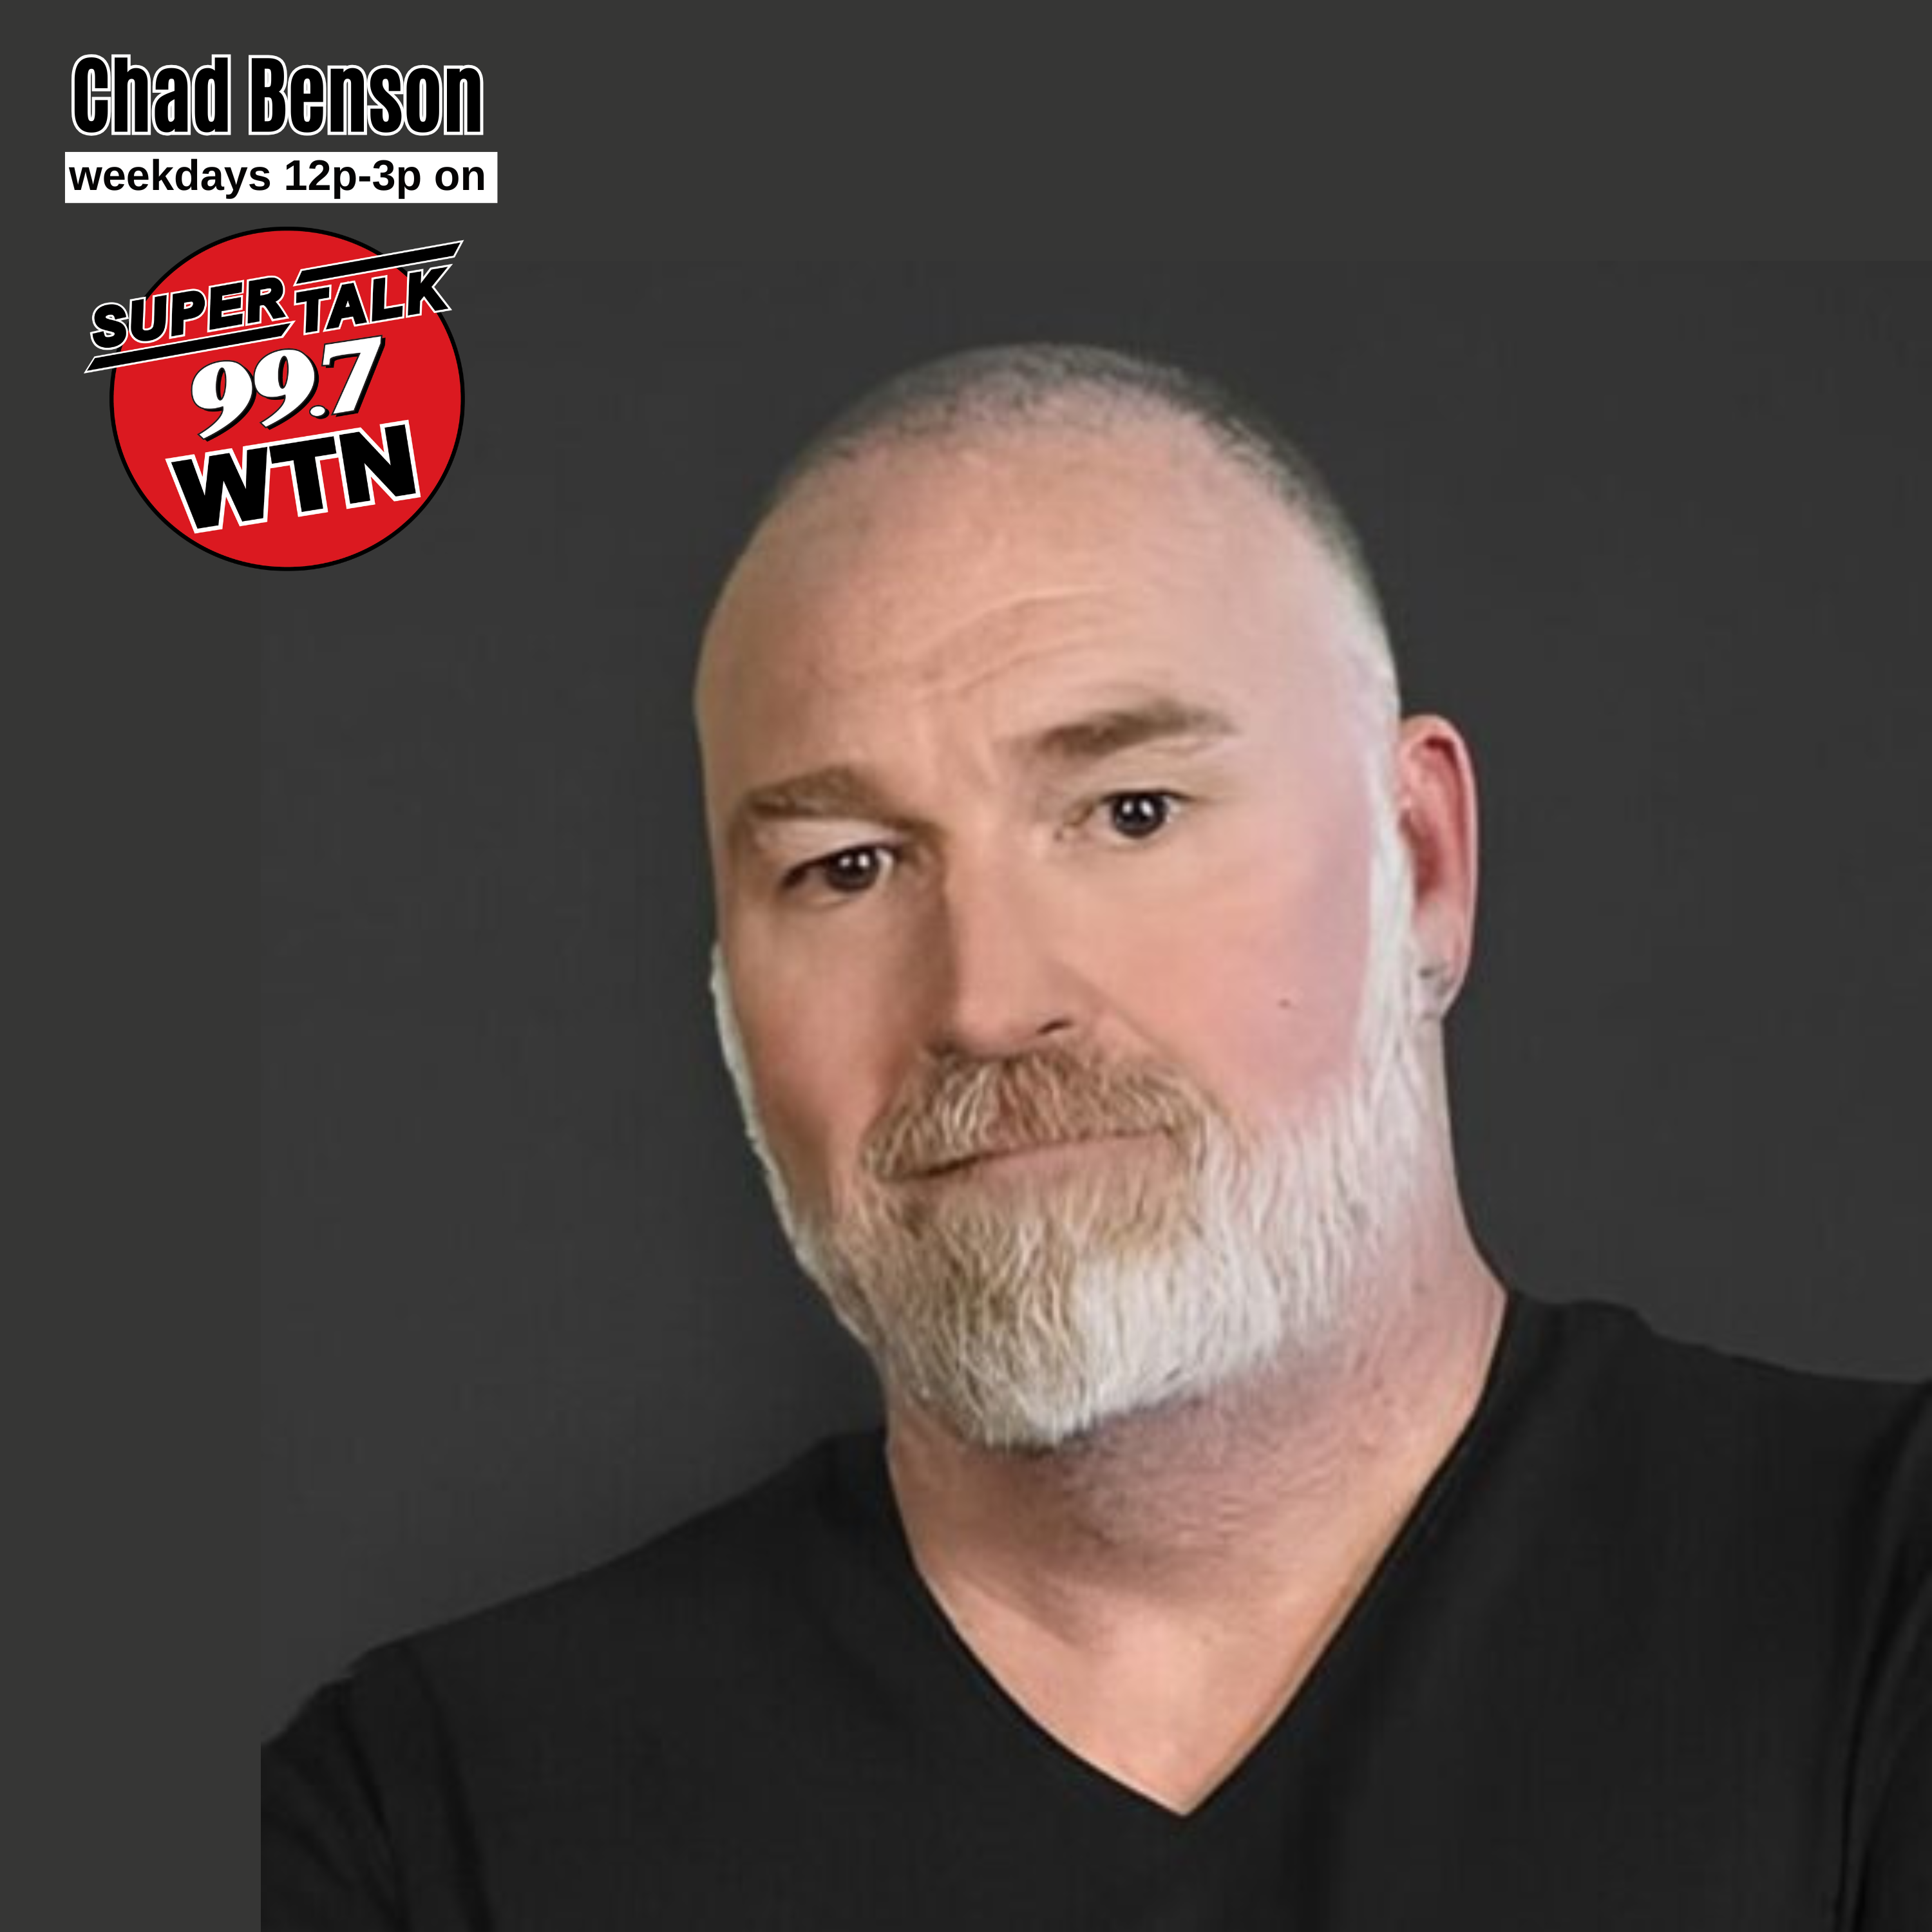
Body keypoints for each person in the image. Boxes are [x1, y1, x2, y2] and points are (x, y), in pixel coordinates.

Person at [262, 345, 1929, 1929]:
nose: (989, 1001)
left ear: (1419, 864)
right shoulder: (432, 1826)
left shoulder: (1874, 1610)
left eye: (1132, 814)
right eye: (846, 867)